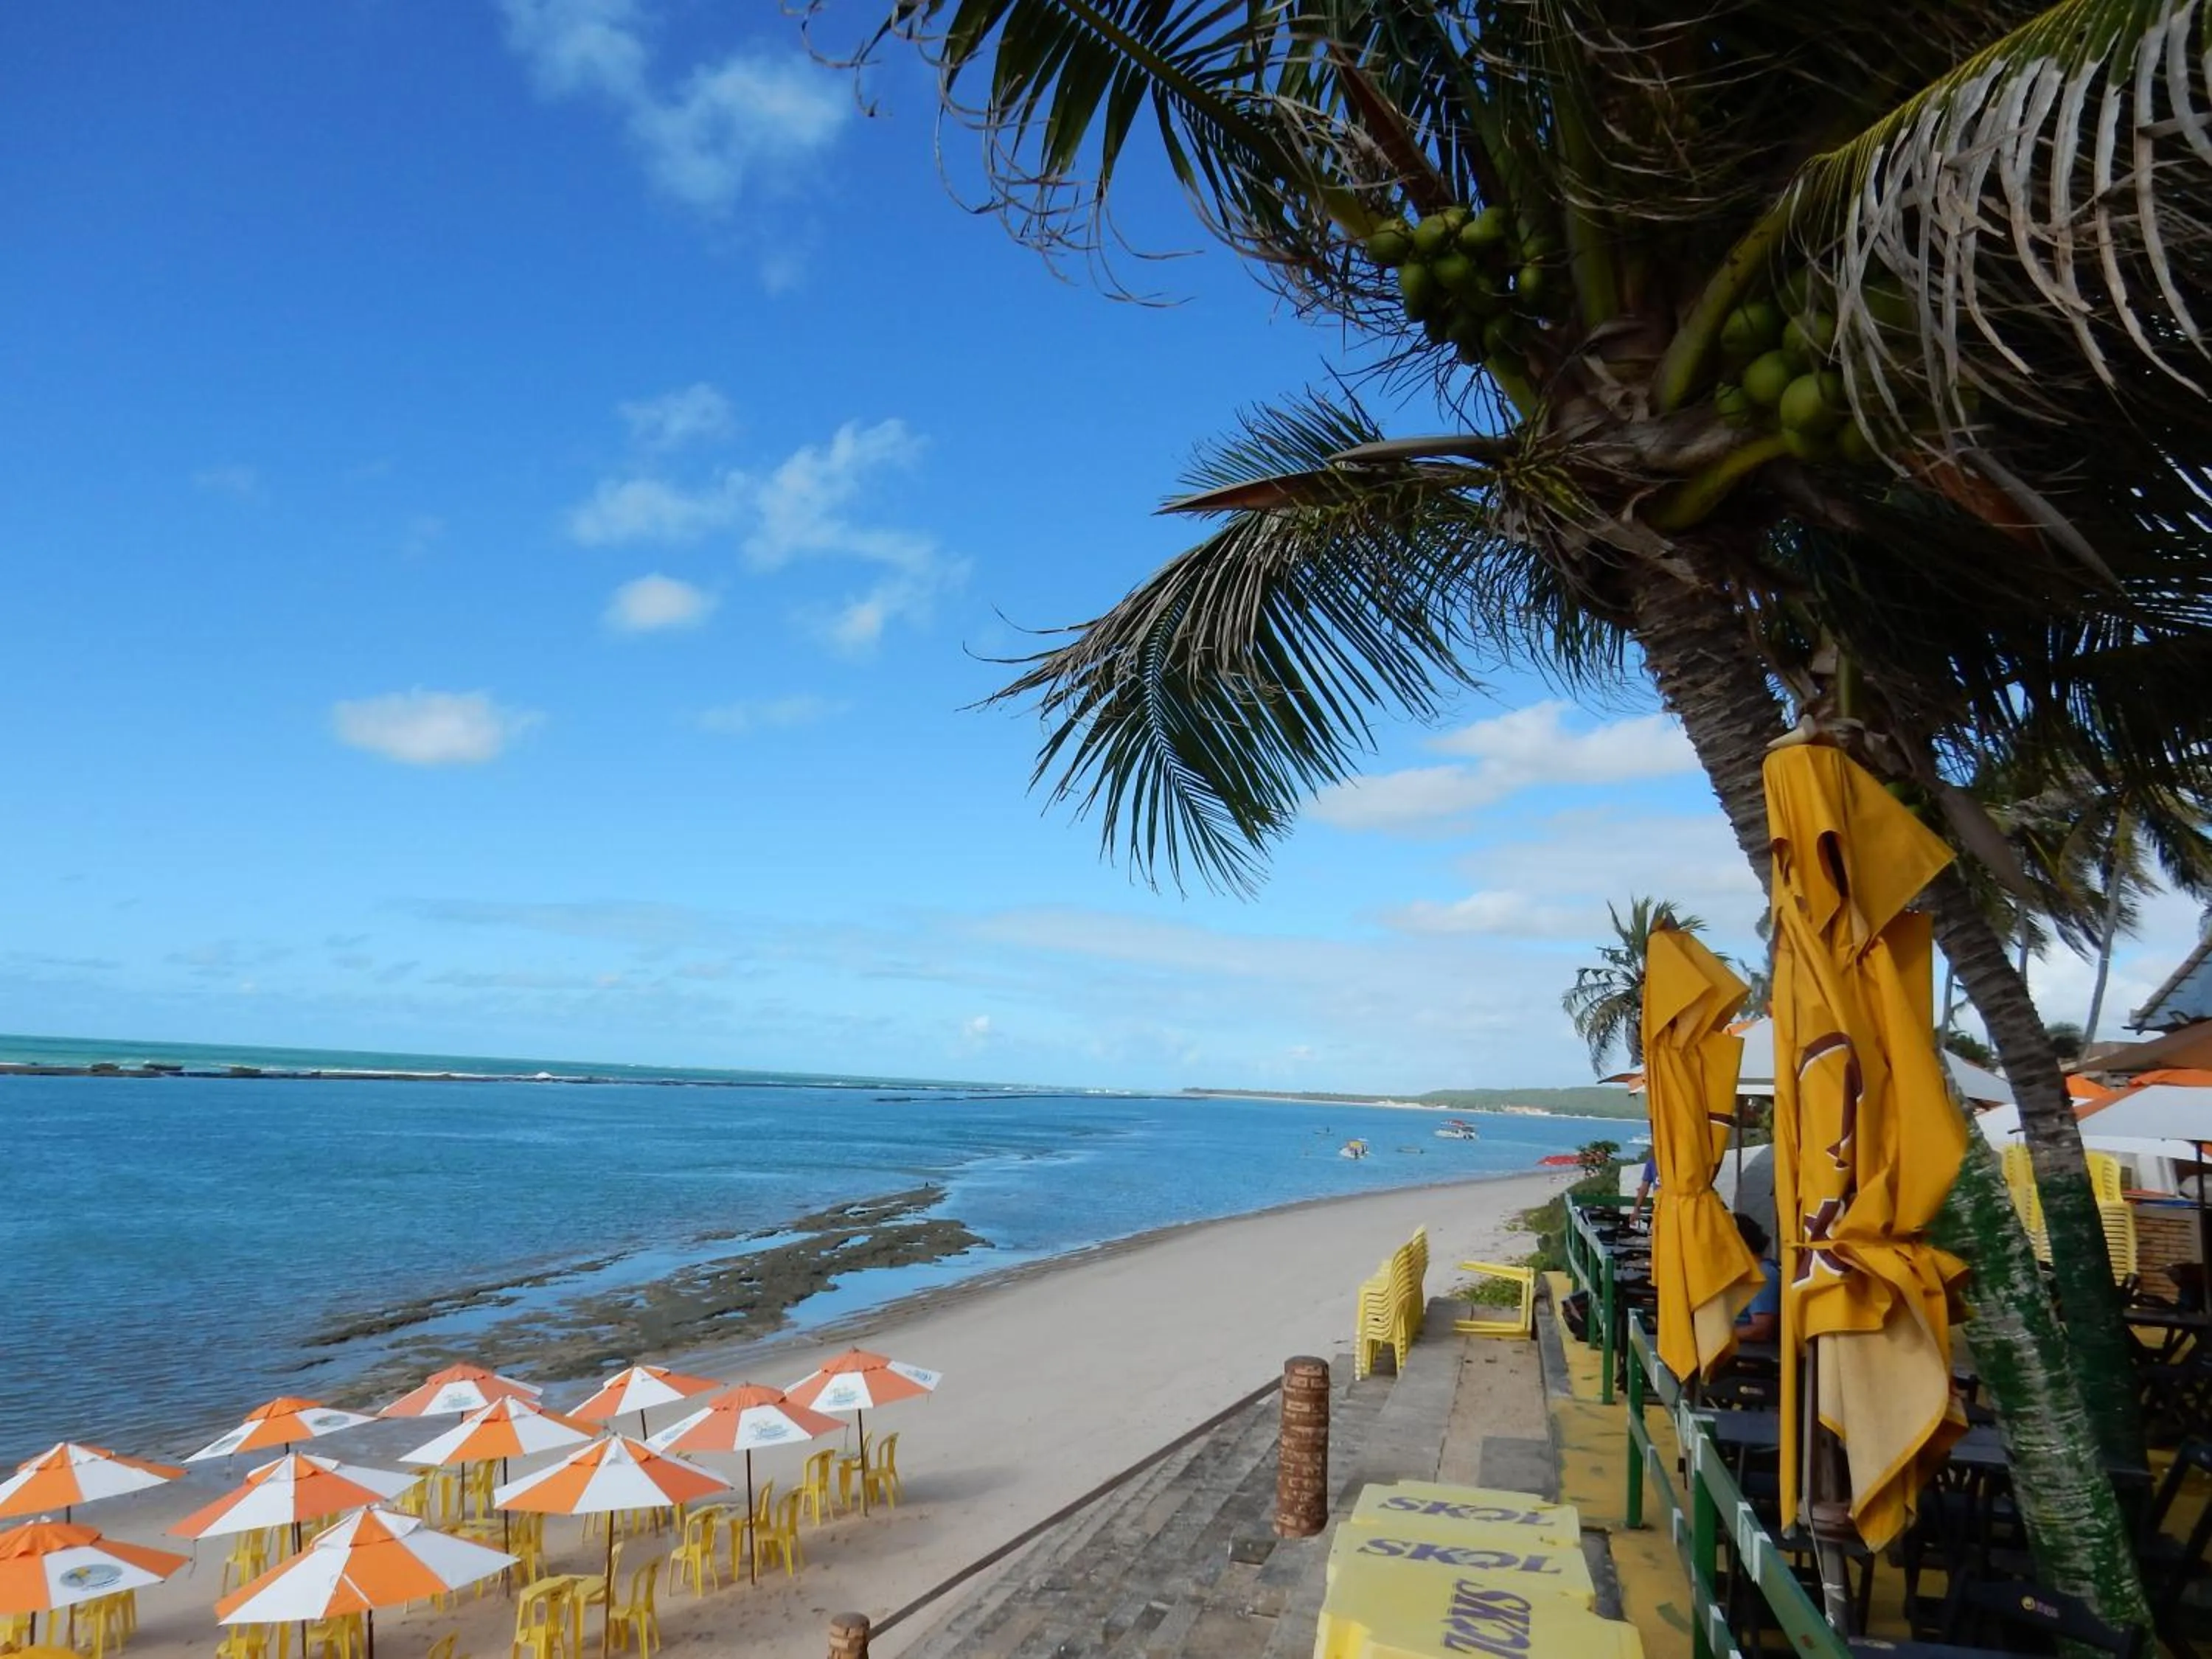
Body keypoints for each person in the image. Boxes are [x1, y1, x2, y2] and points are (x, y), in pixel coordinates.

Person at [1734, 1211, 1781, 1343]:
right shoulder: (1745, 1275)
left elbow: (1761, 1330)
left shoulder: (1763, 1274)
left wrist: (1717, 1339)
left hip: (1749, 1356)